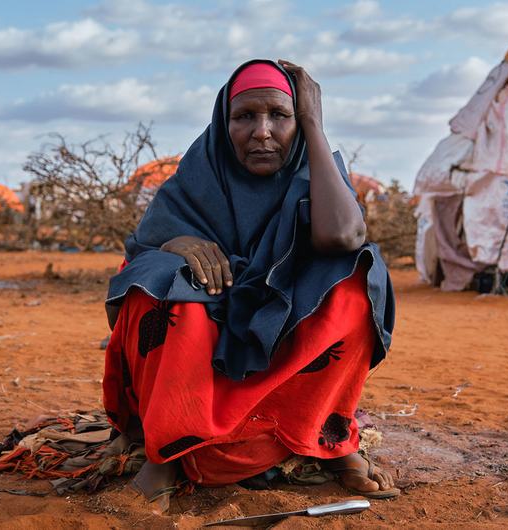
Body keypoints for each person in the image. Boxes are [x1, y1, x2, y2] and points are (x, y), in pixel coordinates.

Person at [101, 59, 398, 509]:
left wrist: (314, 125)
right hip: (208, 334)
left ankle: (321, 434)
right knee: (160, 286)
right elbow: (140, 254)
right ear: (224, 124)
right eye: (245, 117)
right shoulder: (198, 179)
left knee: (355, 279)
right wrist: (175, 244)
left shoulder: (314, 175)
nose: (262, 131)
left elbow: (341, 236)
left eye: (280, 115)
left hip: (282, 332)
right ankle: (169, 448)